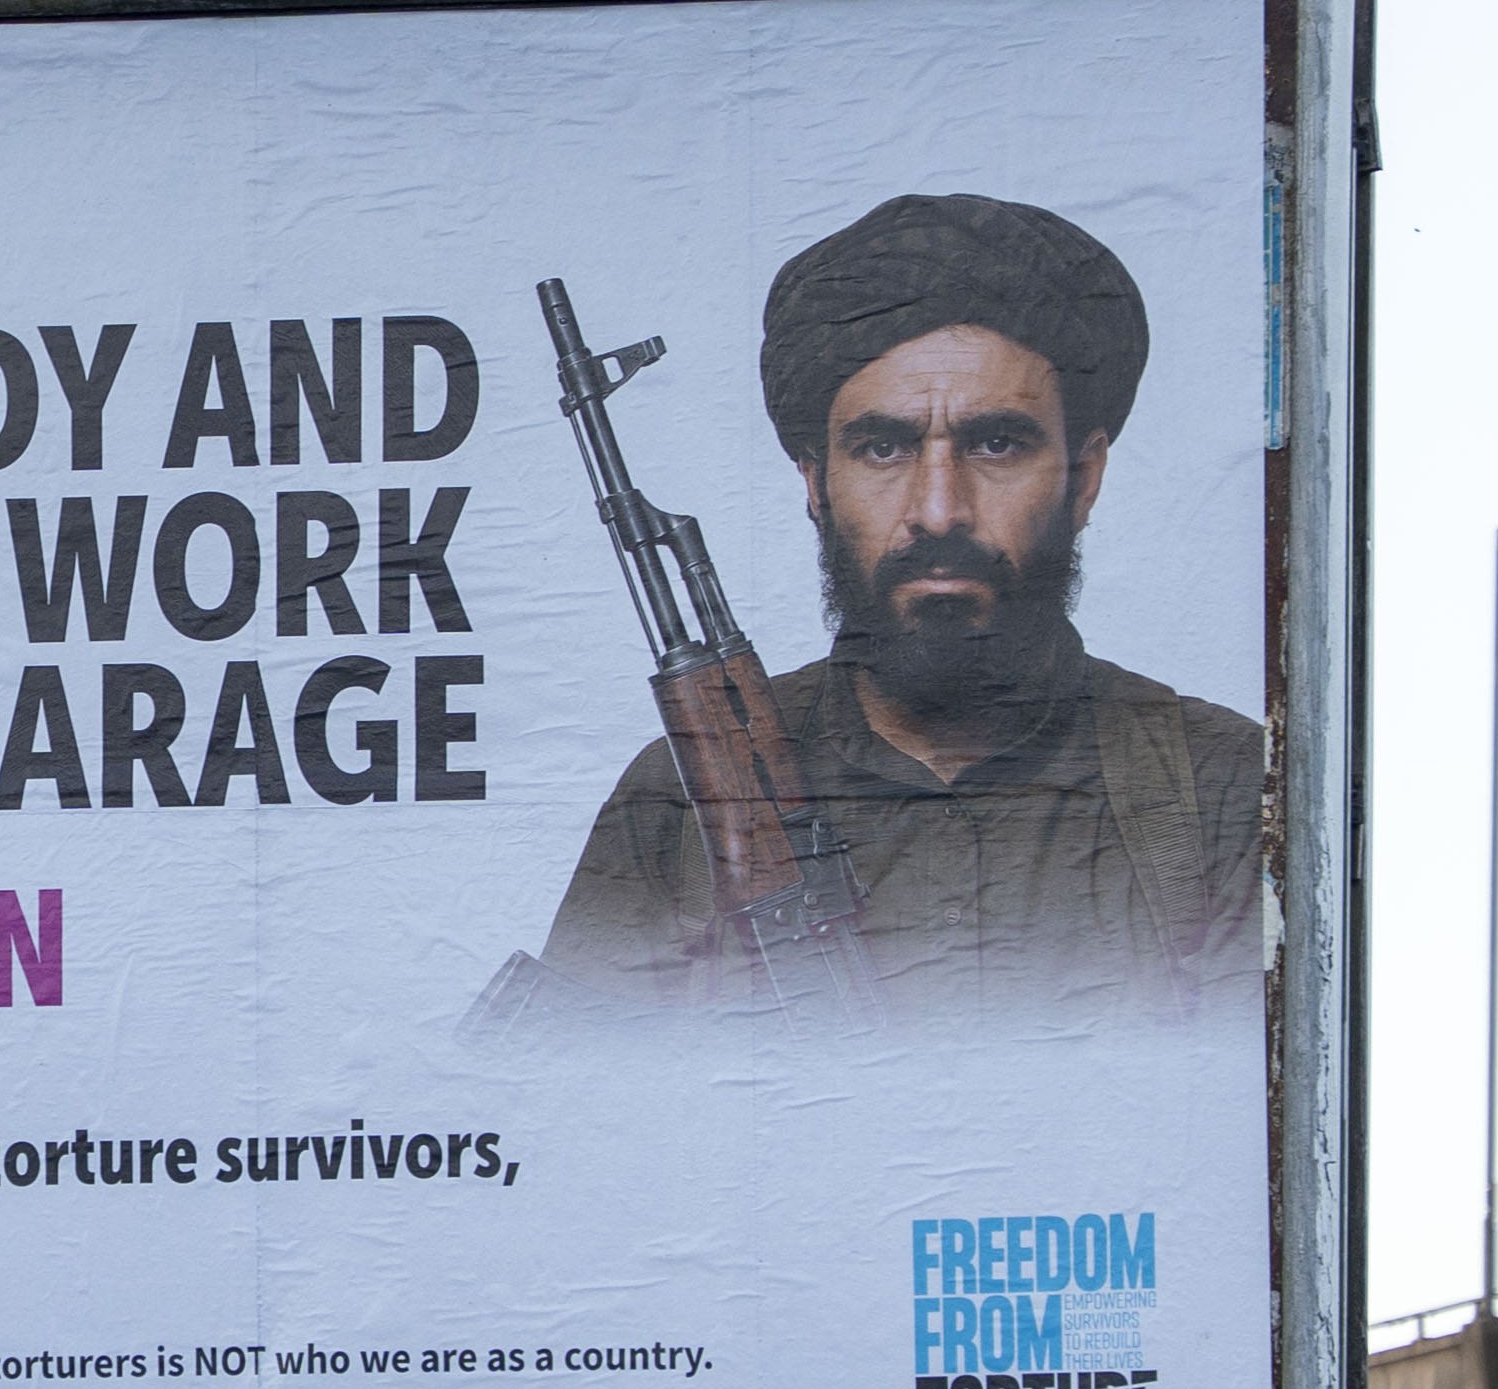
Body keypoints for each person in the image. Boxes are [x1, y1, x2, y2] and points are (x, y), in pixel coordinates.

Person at [525, 192, 1263, 1021]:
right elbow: (553, 1120)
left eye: (996, 443)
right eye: (884, 447)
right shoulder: (678, 802)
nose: (939, 509)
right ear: (816, 483)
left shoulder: (1224, 791)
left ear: (1083, 477)